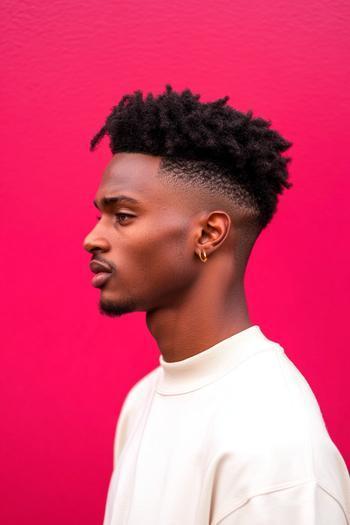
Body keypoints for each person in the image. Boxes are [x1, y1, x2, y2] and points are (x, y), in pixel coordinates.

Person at [83, 85, 350, 524]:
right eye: (99, 215)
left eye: (123, 216)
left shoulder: (275, 447)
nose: (93, 237)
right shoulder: (143, 400)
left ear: (208, 235)